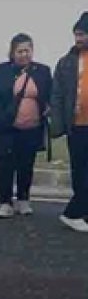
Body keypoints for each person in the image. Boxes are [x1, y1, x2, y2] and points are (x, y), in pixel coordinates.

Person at [0, 34, 53, 219]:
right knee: (5, 166)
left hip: (32, 128)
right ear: (12, 52)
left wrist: (51, 109)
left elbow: (52, 95)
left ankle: (24, 199)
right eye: (20, 51)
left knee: (26, 165)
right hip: (5, 127)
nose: (24, 54)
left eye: (27, 50)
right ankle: (5, 202)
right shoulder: (2, 71)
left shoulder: (43, 71)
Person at [49, 12, 88, 232]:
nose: (78, 39)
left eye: (82, 34)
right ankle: (74, 213)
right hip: (77, 126)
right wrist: (58, 123)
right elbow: (57, 95)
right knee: (80, 171)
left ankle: (77, 211)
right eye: (76, 34)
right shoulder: (66, 62)